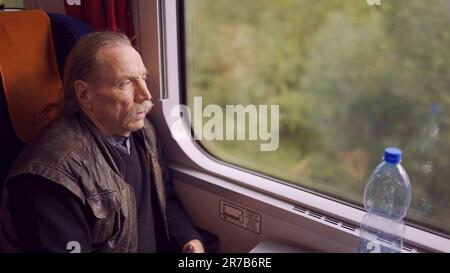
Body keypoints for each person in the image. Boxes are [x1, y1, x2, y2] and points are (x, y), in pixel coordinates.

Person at [0, 31, 205, 253]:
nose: (145, 94)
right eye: (126, 82)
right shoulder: (49, 178)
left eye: (143, 78)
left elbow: (164, 198)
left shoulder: (143, 131)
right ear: (85, 94)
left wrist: (189, 239)